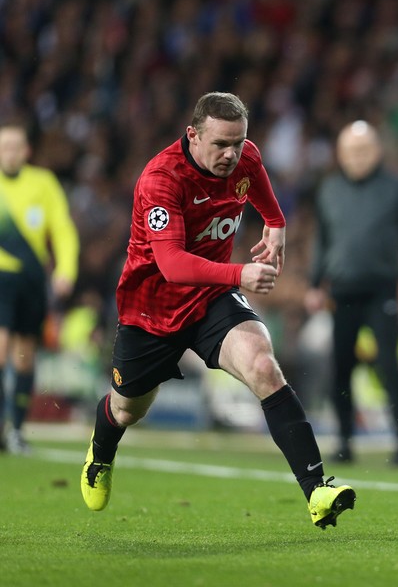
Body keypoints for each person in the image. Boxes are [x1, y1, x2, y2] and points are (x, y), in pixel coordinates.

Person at [79, 92, 355, 529]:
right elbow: (171, 266)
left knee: (264, 367)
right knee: (128, 409)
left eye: (239, 143)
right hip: (152, 312)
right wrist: (240, 274)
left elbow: (259, 182)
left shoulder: (245, 159)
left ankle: (317, 489)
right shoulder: (161, 180)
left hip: (210, 300)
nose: (231, 154)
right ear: (193, 135)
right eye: (221, 144)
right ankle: (102, 451)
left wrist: (277, 224)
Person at [305, 120, 398, 466]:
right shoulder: (329, 189)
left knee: (390, 366)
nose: (356, 157)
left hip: (382, 290)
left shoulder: (397, 188)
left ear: (377, 151)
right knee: (341, 368)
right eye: (349, 151)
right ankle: (344, 441)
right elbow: (321, 240)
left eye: (363, 150)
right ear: (340, 154)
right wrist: (315, 284)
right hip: (341, 292)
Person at [0, 122, 79, 454]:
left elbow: (62, 228)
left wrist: (65, 269)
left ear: (26, 151)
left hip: (32, 282)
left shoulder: (43, 183)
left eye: (15, 147)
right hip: (1, 278)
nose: (9, 153)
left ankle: (16, 430)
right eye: (3, 148)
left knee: (25, 357)